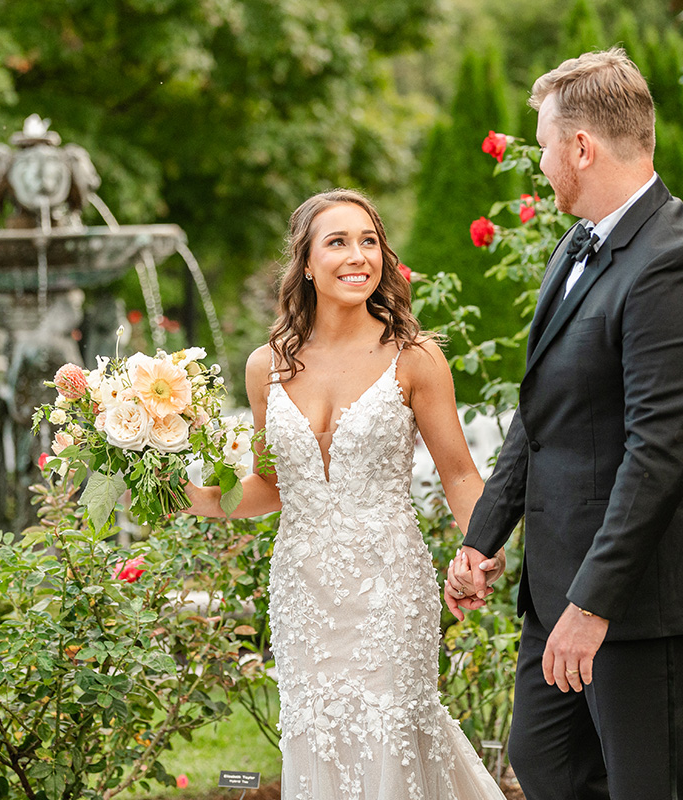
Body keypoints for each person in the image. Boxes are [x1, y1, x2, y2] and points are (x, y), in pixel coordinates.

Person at [445, 49, 683, 800]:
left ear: (581, 147)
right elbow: (541, 415)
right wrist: (484, 535)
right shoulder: (575, 247)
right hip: (560, 594)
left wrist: (593, 604)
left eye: (545, 145)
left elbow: (659, 452)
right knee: (545, 760)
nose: (541, 162)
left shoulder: (674, 264)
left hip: (642, 605)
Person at [185, 188, 508, 799]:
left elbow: (460, 474)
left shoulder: (414, 358)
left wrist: (479, 549)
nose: (358, 255)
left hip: (388, 585)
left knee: (393, 729)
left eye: (369, 241)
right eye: (337, 242)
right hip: (303, 590)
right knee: (317, 732)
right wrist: (196, 498)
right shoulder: (266, 366)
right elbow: (271, 485)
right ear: (306, 263)